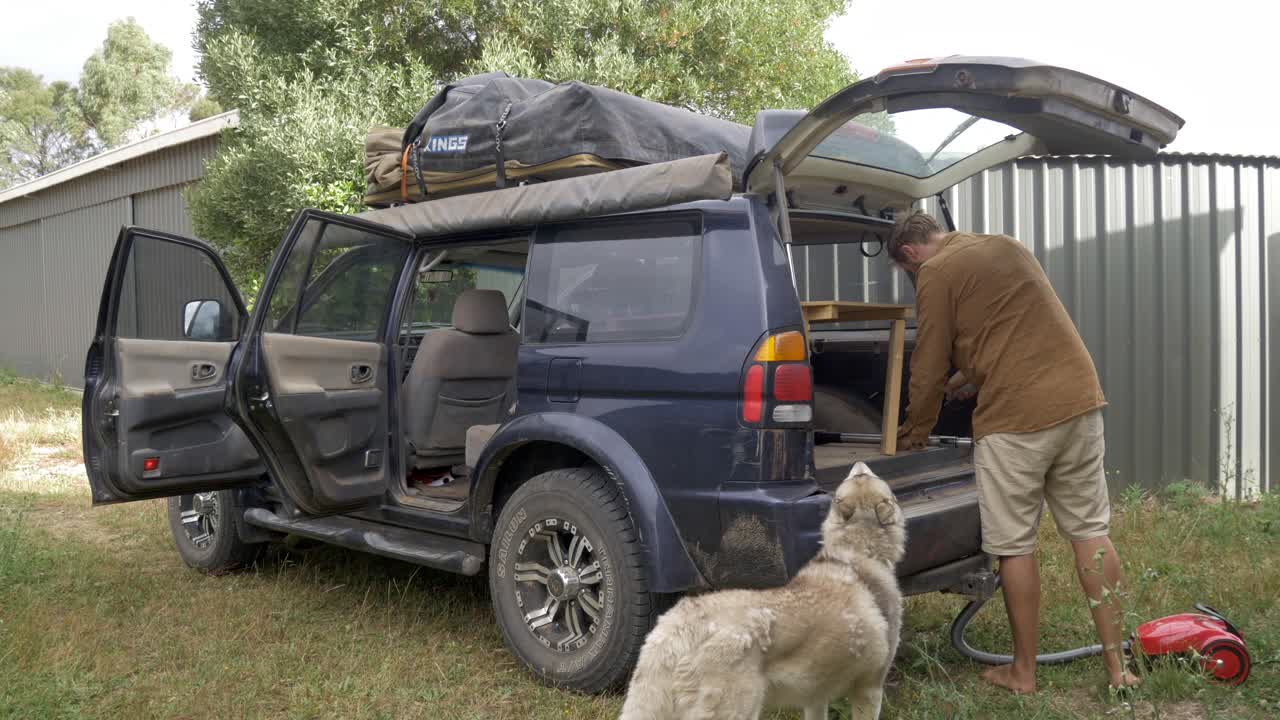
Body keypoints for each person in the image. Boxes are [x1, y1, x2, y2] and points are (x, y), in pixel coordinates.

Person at [888, 210, 1138, 694]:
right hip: (1079, 401)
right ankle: (1118, 668)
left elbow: (928, 361)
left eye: (909, 272)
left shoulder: (936, 270)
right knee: (1091, 531)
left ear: (910, 253)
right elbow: (1014, 329)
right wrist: (970, 377)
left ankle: (1023, 672)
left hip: (1018, 421)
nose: (917, 277)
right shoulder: (1005, 244)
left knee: (1014, 545)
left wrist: (915, 431)